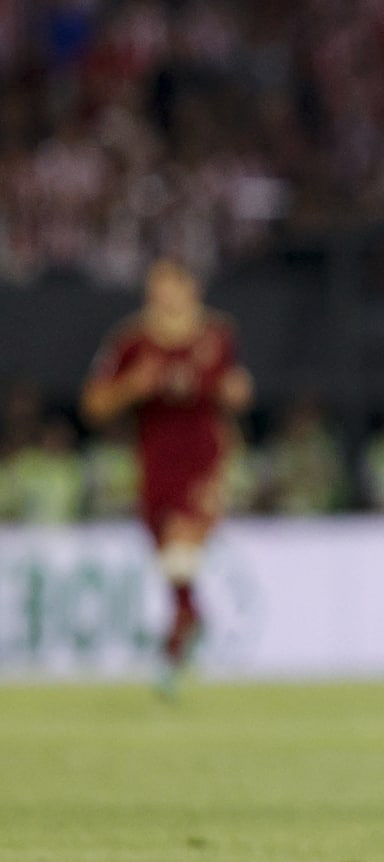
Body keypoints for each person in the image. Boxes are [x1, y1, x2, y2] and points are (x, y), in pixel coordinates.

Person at [81, 258, 254, 690]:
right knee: (171, 561)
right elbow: (94, 404)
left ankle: (176, 642)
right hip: (155, 464)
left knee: (182, 543)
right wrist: (130, 388)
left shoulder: (216, 336)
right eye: (157, 289)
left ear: (191, 289)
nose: (165, 298)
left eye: (173, 288)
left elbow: (235, 391)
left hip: (205, 462)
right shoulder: (131, 342)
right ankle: (186, 624)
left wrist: (237, 393)